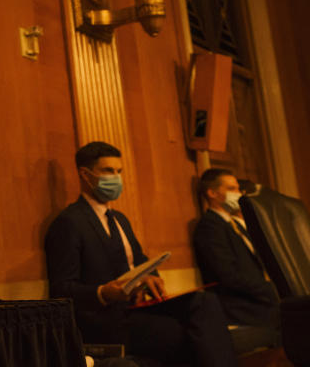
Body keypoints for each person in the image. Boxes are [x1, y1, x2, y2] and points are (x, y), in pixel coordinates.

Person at [45, 141, 236, 366]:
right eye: (108, 171)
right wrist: (103, 292)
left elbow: (140, 261)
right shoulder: (69, 222)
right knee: (184, 334)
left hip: (136, 309)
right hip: (105, 320)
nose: (116, 178)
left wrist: (150, 277)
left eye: (119, 171)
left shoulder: (120, 220)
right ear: (85, 175)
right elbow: (61, 289)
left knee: (205, 302)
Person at [193, 168, 279, 335]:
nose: (238, 193)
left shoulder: (235, 224)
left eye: (238, 189)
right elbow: (228, 275)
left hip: (260, 301)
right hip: (239, 308)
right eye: (231, 189)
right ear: (212, 193)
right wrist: (271, 290)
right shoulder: (210, 226)